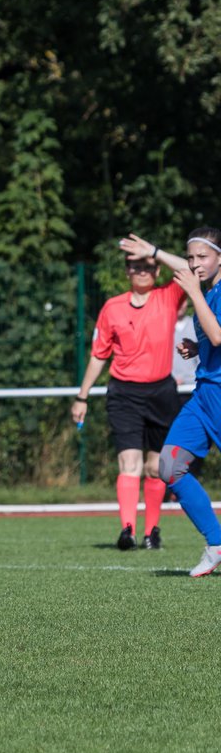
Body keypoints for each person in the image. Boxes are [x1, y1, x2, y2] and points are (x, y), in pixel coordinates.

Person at [118, 229, 221, 575]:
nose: (194, 264)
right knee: (170, 465)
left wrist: (193, 292)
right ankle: (216, 542)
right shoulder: (207, 288)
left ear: (220, 258)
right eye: (190, 258)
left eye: (202, 257)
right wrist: (198, 348)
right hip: (203, 396)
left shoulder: (209, 291)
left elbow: (219, 335)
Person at [71, 250, 184, 550]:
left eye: (147, 266)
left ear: (157, 271)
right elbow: (99, 355)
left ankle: (152, 532)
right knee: (129, 462)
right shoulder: (112, 307)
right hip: (124, 394)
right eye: (135, 267)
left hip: (161, 392)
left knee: (156, 467)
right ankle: (128, 530)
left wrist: (155, 252)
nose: (141, 271)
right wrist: (82, 396)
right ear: (126, 273)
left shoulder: (169, 296)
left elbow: (190, 269)